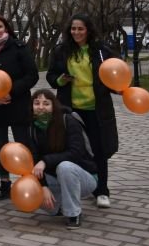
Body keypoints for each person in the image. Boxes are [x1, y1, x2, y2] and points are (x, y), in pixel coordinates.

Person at [46, 13, 119, 209]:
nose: (76, 32)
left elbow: (114, 75)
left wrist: (119, 87)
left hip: (96, 109)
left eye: (80, 28)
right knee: (75, 150)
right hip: (71, 110)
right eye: (73, 28)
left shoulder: (101, 51)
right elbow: (51, 76)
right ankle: (83, 186)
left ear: (88, 30)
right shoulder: (62, 50)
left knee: (99, 149)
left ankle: (102, 191)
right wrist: (60, 80)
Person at [0, 14, 38, 201]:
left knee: (23, 143)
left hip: (18, 103)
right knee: (0, 146)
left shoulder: (19, 47)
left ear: (6, 28)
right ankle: (4, 183)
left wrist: (10, 91)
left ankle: (28, 180)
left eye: (0, 26)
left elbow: (32, 75)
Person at [26, 89, 98, 229]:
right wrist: (43, 186)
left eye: (46, 103)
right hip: (56, 178)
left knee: (64, 166)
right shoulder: (32, 128)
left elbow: (75, 153)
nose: (41, 107)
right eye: (37, 103)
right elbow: (33, 160)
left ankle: (73, 213)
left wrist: (45, 161)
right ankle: (60, 207)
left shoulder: (68, 120)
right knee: (30, 183)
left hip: (84, 177)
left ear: (54, 106)